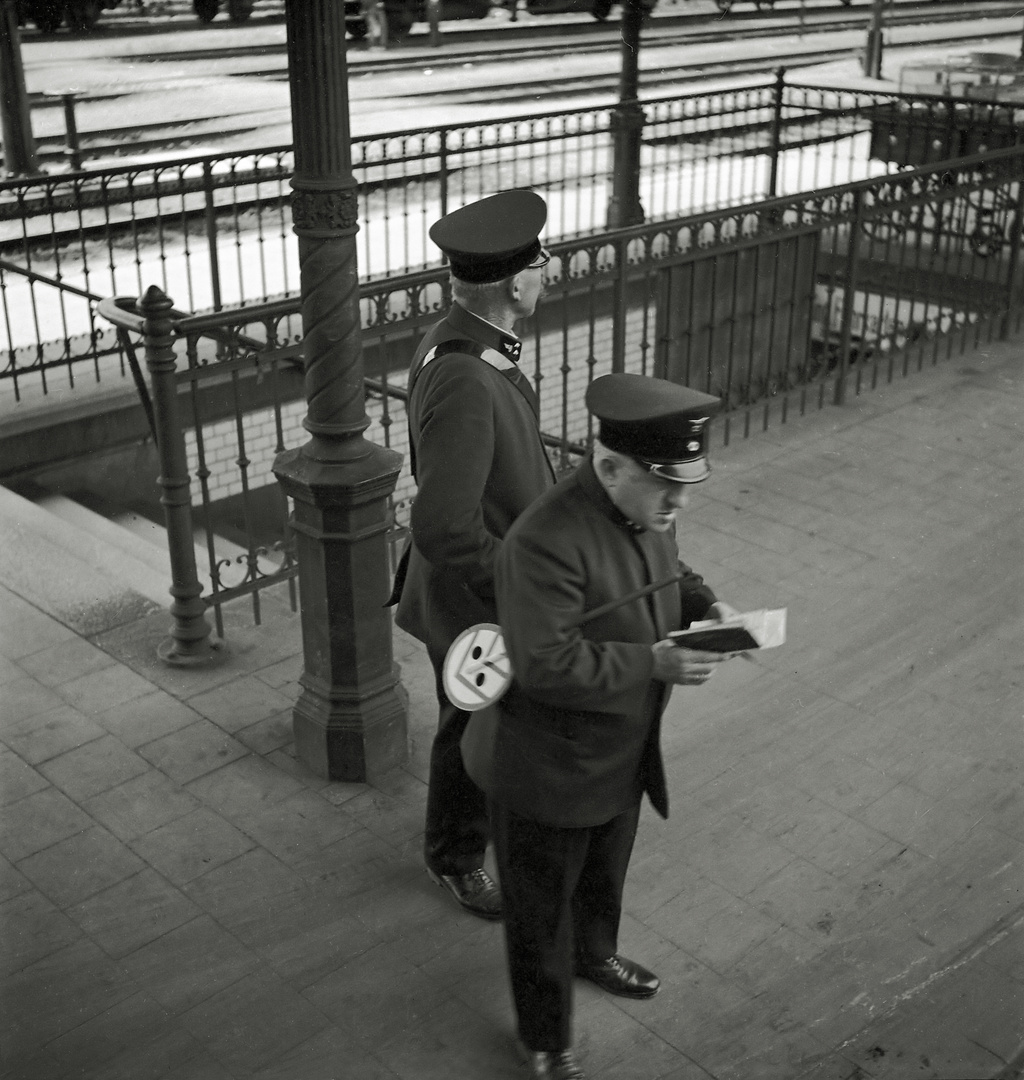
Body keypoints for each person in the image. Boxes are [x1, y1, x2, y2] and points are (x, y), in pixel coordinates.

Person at [461, 373, 739, 1080]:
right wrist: (654, 662)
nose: (679, 502)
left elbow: (664, 569)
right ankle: (545, 1036)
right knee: (539, 913)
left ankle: (596, 953)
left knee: (603, 876)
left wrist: (704, 604)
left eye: (686, 485)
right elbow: (546, 664)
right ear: (610, 466)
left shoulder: (643, 507)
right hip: (546, 769)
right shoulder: (543, 541)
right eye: (665, 484)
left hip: (618, 750)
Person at [390, 189, 557, 921]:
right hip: (474, 600)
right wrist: (519, 581)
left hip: (473, 592)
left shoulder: (455, 338)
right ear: (514, 283)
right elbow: (445, 525)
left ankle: (467, 841)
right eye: (541, 261)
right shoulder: (465, 372)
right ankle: (455, 858)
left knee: (477, 721)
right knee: (470, 726)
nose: (549, 268)